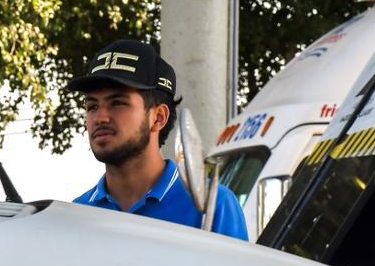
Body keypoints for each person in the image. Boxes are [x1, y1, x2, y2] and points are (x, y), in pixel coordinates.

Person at [69, 40, 248, 240]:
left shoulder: (213, 206)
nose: (100, 117)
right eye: (92, 106)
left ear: (158, 117)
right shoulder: (77, 214)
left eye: (117, 103)